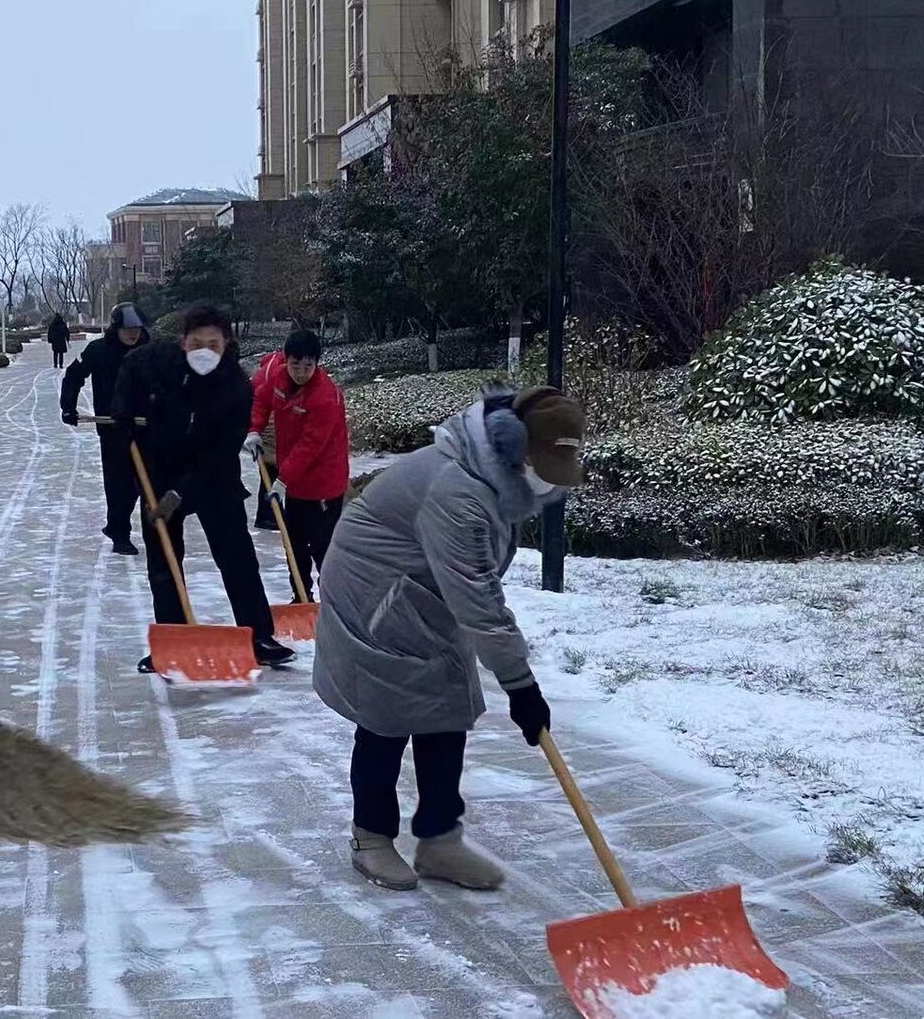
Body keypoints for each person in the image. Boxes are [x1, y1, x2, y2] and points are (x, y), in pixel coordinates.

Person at [313, 386, 581, 892]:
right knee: (386, 713)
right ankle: (370, 837)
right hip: (375, 595)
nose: (549, 482)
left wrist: (513, 675)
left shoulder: (497, 476)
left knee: (447, 705)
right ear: (516, 445)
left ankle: (439, 841)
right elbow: (477, 594)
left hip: (423, 593)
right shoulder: (458, 490)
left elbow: (475, 581)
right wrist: (521, 686)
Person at [113, 302, 296, 672]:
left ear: (225, 344)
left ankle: (258, 635)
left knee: (238, 557)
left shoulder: (235, 387)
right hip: (160, 471)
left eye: (213, 344)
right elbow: (129, 372)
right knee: (164, 560)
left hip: (214, 477)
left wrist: (180, 495)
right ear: (183, 343)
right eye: (197, 343)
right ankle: (172, 638)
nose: (204, 352)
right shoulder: (156, 363)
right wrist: (124, 414)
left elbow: (220, 453)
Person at [244, 330, 349, 602]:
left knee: (323, 547)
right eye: (295, 365)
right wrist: (255, 429)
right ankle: (301, 598)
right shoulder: (278, 377)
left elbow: (310, 446)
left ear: (316, 364)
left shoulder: (325, 397)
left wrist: (283, 478)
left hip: (324, 482)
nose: (301, 372)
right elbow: (261, 398)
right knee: (294, 544)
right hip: (296, 482)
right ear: (285, 360)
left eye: (308, 366)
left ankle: (333, 599)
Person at [60, 302, 151, 555]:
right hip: (112, 428)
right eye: (127, 329)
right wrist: (68, 406)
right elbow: (74, 375)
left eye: (137, 329)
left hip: (146, 425)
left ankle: (137, 528)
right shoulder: (98, 350)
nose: (133, 334)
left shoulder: (150, 350)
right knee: (118, 483)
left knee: (144, 481)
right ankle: (120, 532)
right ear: (116, 328)